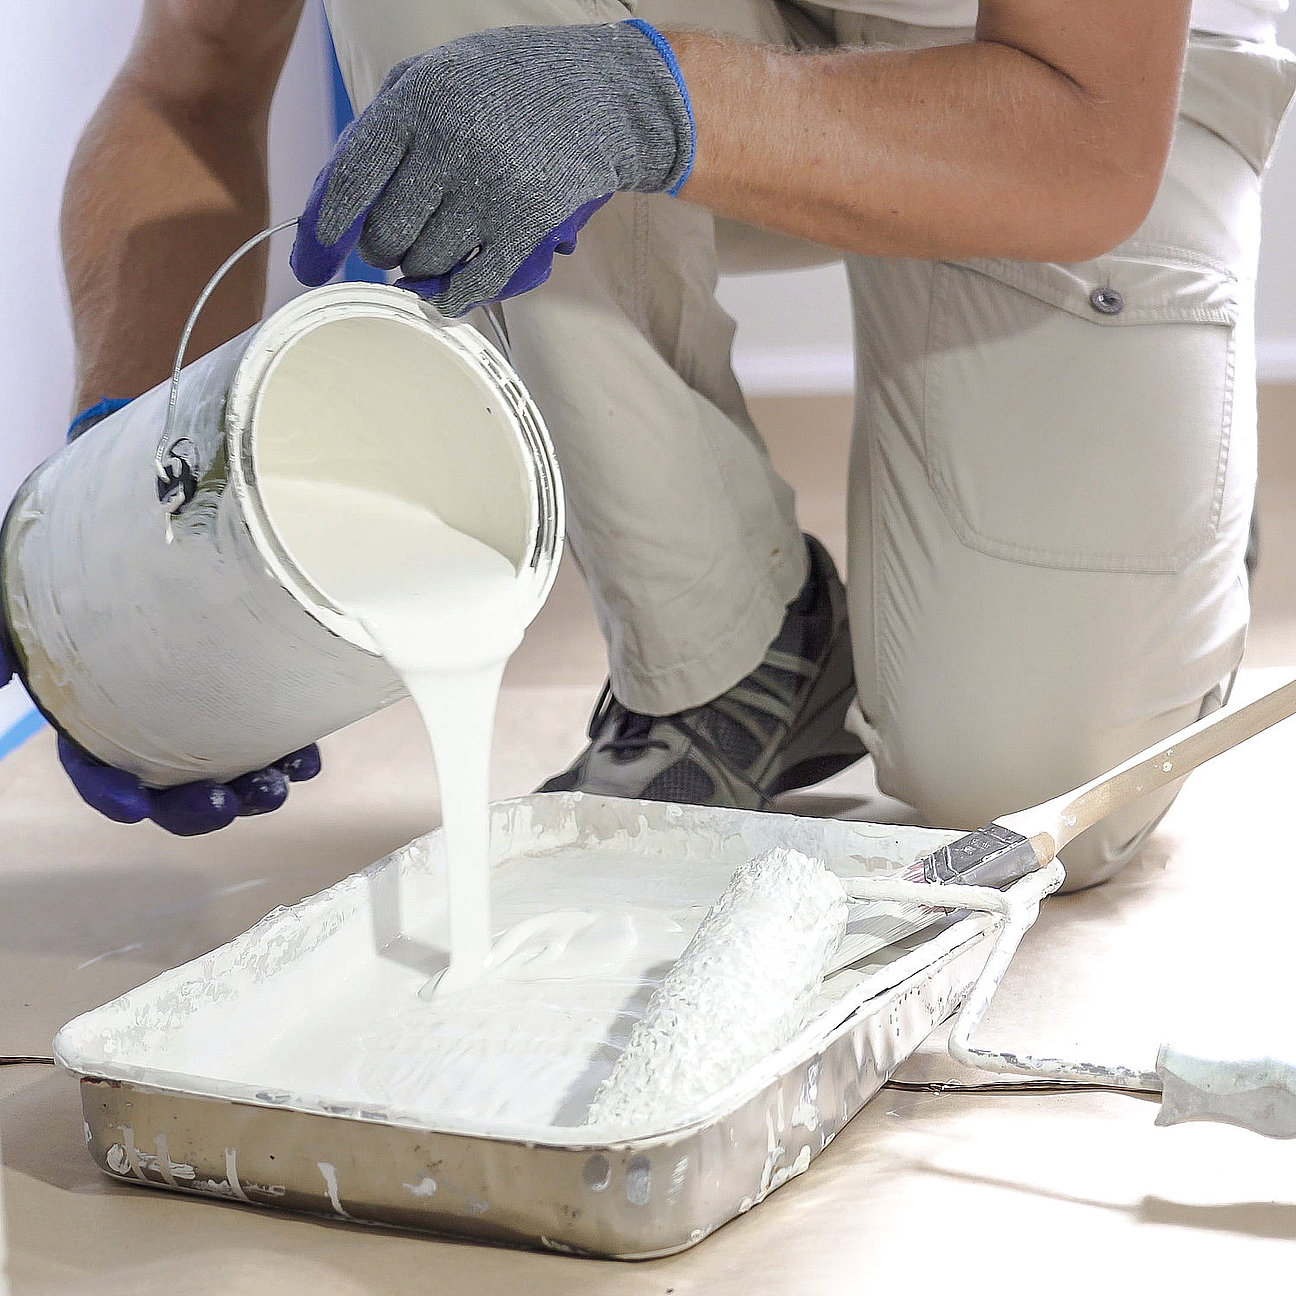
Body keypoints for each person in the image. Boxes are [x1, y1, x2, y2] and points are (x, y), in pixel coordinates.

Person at [23, 0, 1296, 887]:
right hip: (697, 22)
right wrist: (123, 498)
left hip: (1057, 89)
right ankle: (731, 653)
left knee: (1029, 788)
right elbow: (192, 78)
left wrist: (648, 98)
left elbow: (1085, 133)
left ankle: (1177, 493)